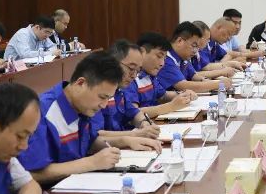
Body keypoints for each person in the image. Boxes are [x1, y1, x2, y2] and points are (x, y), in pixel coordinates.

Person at [18, 52, 160, 186]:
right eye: (102, 97)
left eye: (108, 98)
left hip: (77, 184)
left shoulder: (83, 105)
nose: (104, 105)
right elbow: (31, 174)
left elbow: (89, 142)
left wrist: (126, 141)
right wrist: (91, 163)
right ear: (81, 83)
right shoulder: (42, 113)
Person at [94, 39, 165, 140]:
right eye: (131, 68)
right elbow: (94, 136)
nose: (134, 76)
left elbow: (134, 113)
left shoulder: (120, 90)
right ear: (113, 62)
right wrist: (134, 135)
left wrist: (144, 123)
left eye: (137, 71)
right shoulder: (96, 91)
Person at [130, 33, 197, 120]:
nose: (162, 63)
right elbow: (133, 113)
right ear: (142, 52)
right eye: (159, 56)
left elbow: (162, 96)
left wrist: (183, 95)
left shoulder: (150, 75)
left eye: (164, 58)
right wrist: (171, 106)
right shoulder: (129, 77)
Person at [157, 21, 230, 95]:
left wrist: (207, 81)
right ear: (180, 41)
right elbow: (183, 86)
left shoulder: (183, 57)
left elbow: (194, 76)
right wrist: (218, 84)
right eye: (194, 46)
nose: (195, 51)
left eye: (197, 47)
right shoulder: (166, 58)